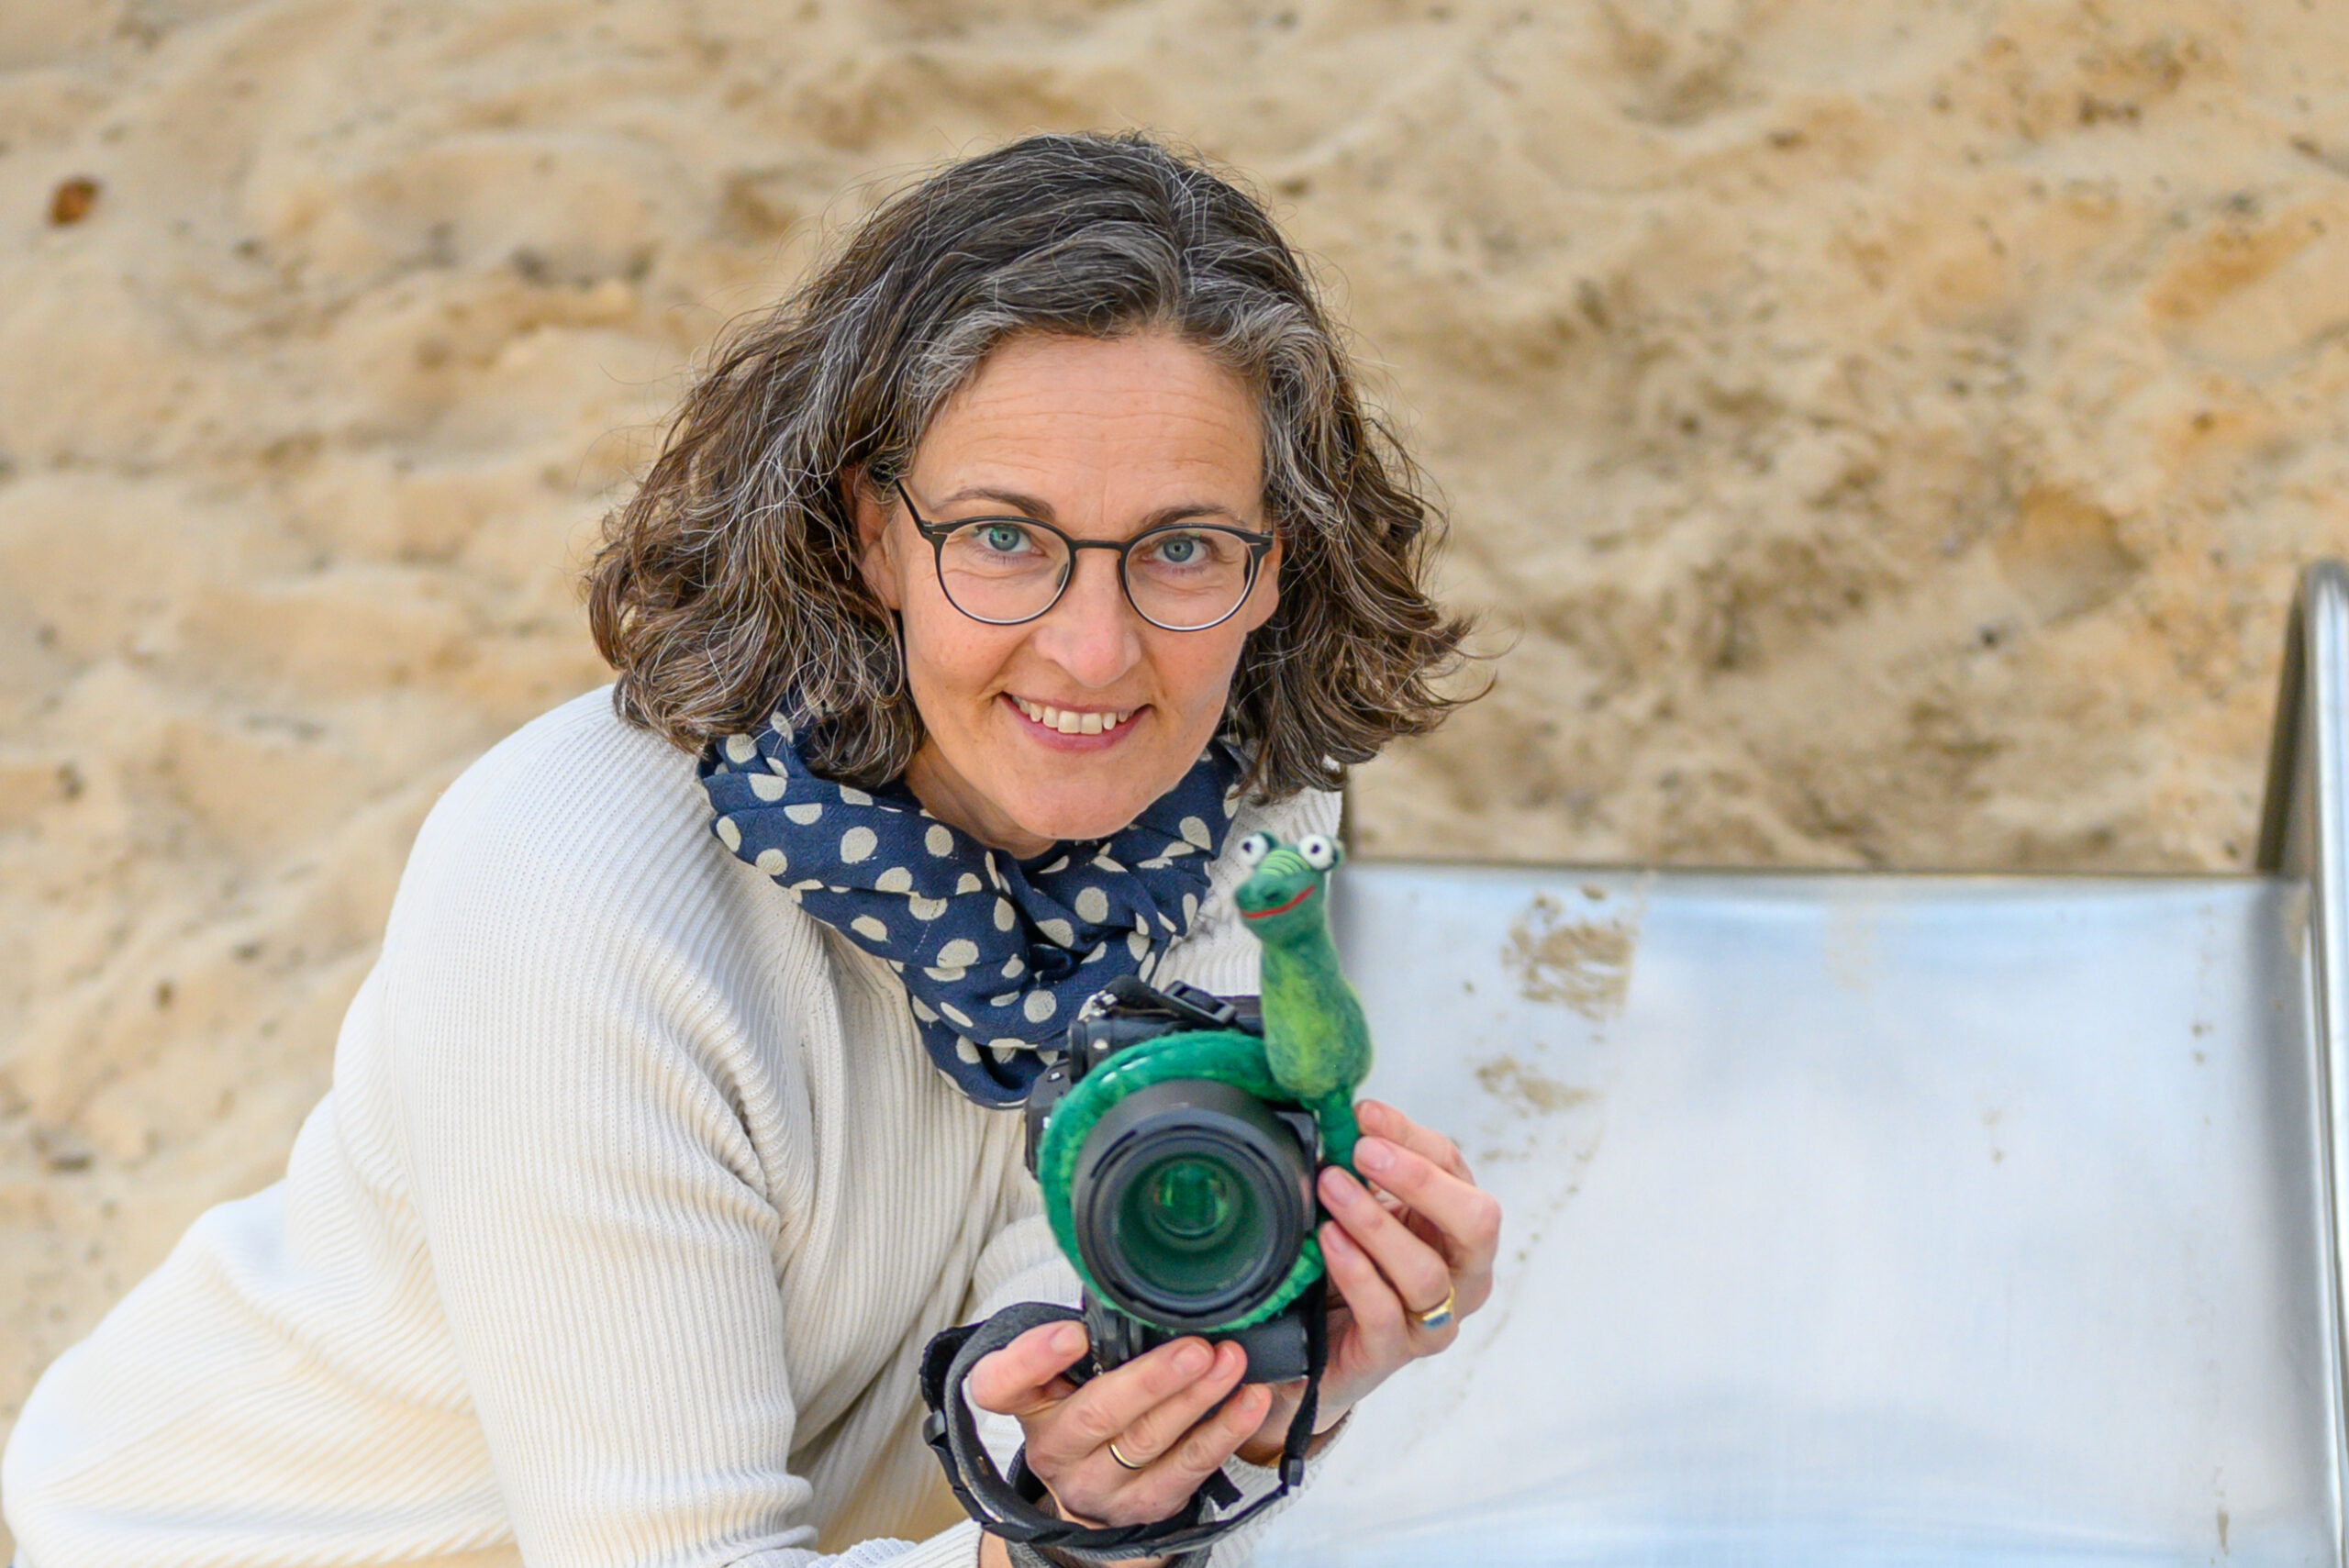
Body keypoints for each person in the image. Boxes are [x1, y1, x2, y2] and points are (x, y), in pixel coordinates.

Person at [3, 131, 1499, 1568]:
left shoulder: (1241, 821)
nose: (1096, 651)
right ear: (871, 534)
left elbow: (1049, 1375)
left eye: (1180, 545)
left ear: (1271, 562)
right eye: (1001, 536)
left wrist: (1254, 1374)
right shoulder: (583, 889)